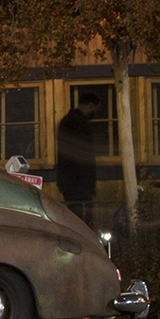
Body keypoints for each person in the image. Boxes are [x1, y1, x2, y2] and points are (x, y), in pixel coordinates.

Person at [55, 92, 101, 222]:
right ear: (90, 106)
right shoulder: (80, 124)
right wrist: (89, 184)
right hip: (79, 183)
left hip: (69, 182)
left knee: (74, 220)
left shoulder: (66, 121)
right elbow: (84, 156)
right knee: (84, 221)